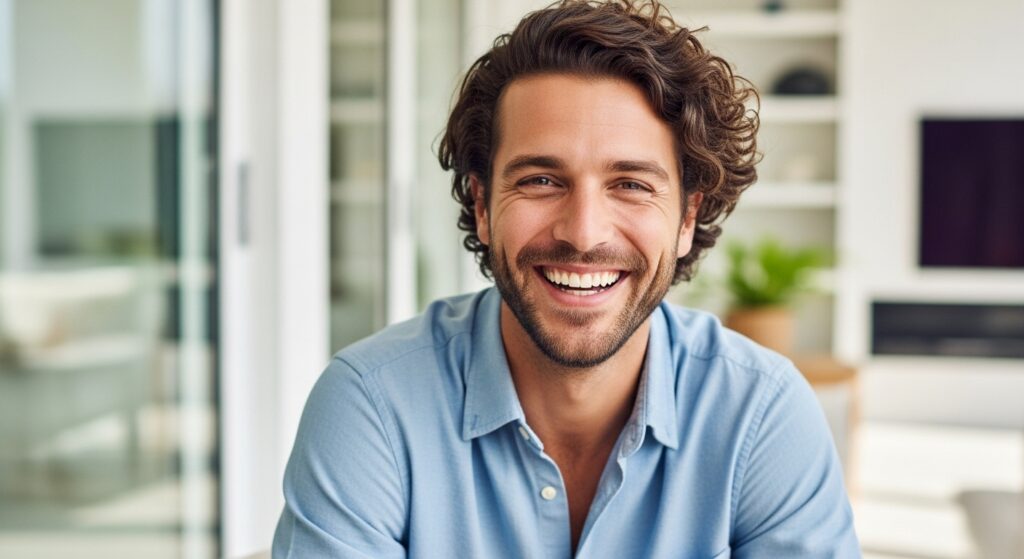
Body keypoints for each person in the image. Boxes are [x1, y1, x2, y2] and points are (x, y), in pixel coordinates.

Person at [272, 1, 860, 557]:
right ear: (481, 203)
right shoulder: (371, 406)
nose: (583, 233)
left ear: (685, 218)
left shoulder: (761, 413)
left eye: (631, 184)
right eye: (540, 180)